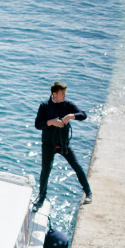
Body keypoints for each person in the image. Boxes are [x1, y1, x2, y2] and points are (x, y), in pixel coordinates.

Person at [33, 81, 92, 210]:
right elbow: (37, 124)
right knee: (45, 171)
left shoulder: (67, 105)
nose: (64, 95)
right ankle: (41, 198)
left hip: (64, 144)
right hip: (48, 144)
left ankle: (88, 192)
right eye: (62, 93)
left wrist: (70, 116)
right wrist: (51, 122)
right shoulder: (44, 106)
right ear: (54, 94)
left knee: (77, 166)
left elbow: (83, 115)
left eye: (65, 93)